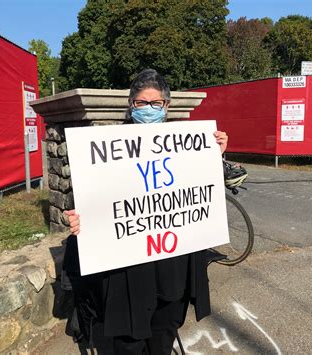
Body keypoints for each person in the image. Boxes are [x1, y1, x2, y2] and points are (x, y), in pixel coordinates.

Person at [63, 69, 228, 355]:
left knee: (163, 334)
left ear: (166, 107)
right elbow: (94, 200)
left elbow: (200, 194)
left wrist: (216, 156)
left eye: (156, 103)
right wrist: (82, 221)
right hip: (128, 271)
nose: (149, 109)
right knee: (128, 341)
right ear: (131, 105)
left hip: (172, 266)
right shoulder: (106, 147)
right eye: (141, 103)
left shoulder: (186, 144)